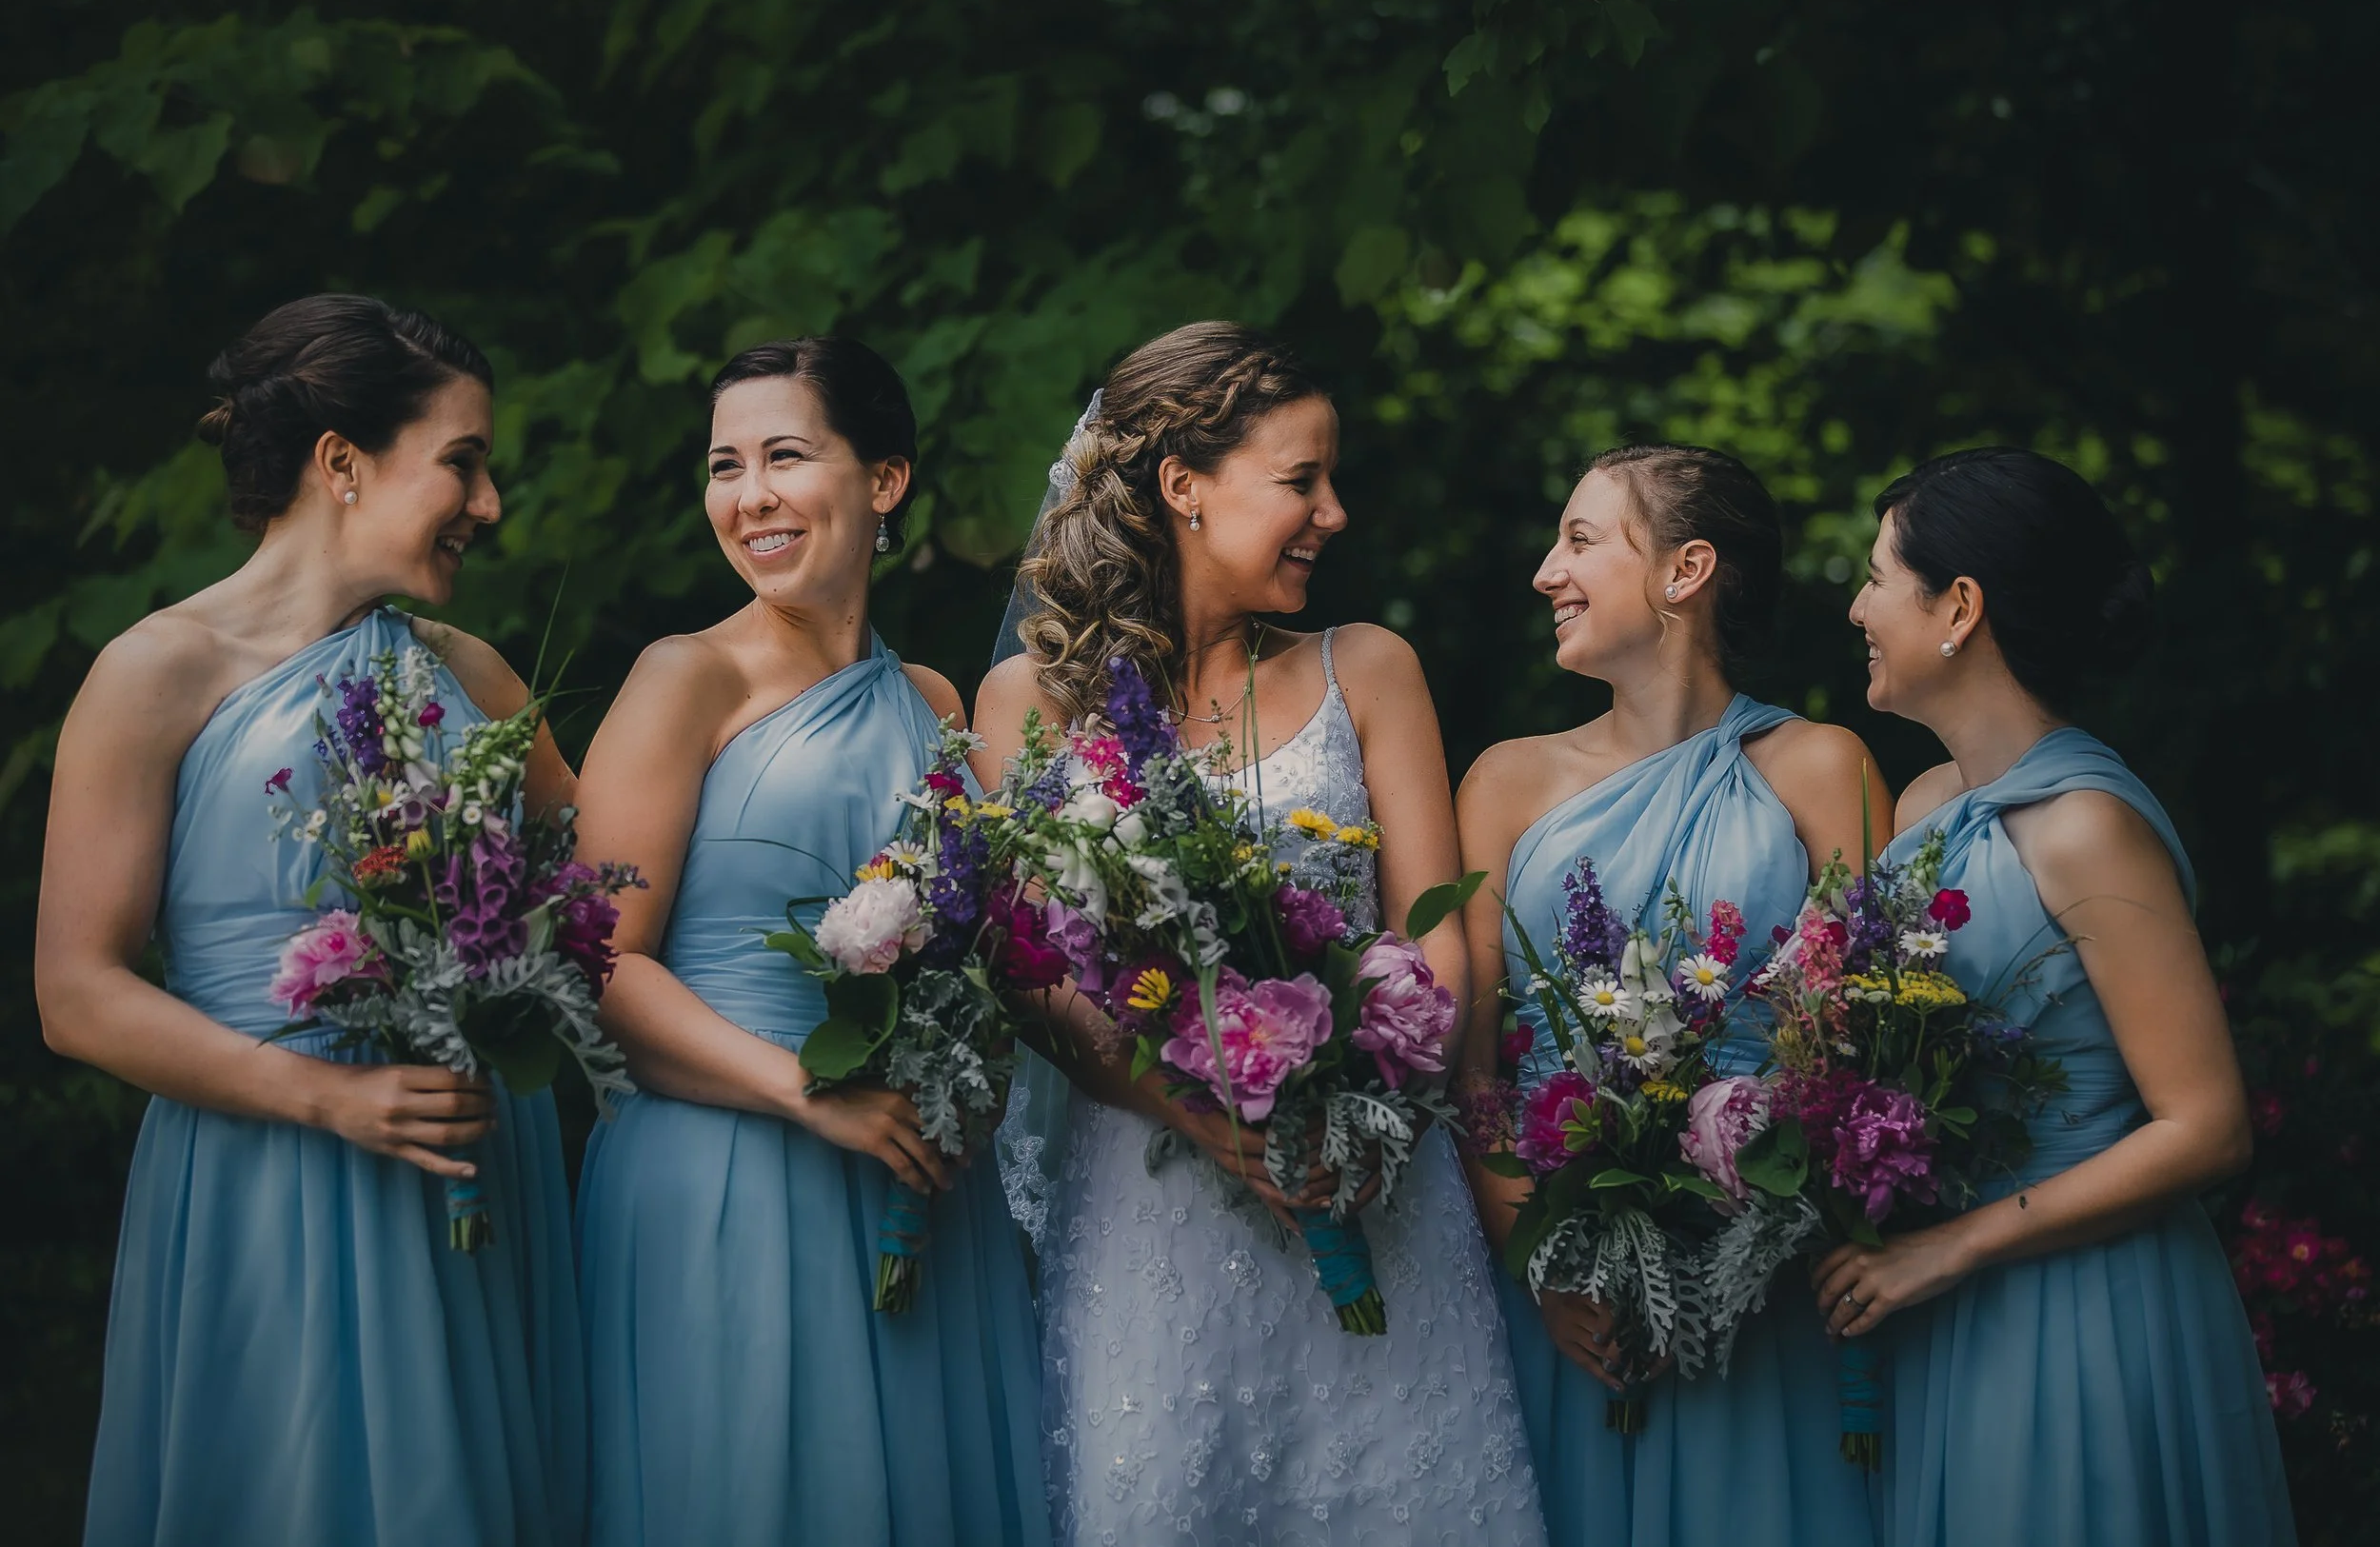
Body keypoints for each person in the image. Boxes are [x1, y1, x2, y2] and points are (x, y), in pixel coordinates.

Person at [973, 322, 1548, 1544]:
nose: (1332, 512)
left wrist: (1356, 1102)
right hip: (1148, 1195)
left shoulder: (1369, 668)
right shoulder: (1030, 702)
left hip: (1373, 1173)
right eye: (1302, 479)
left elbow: (1432, 938)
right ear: (1182, 483)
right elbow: (1028, 971)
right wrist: (1202, 1117)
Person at [36, 294, 585, 1546]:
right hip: (266, 1167)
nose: (489, 503)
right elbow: (76, 991)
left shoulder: (476, 673)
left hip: (467, 1170)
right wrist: (326, 1095)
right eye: (463, 461)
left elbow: (607, 906)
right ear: (342, 461)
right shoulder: (153, 672)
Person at [570, 337, 1048, 1546]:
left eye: (787, 455)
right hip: (728, 1162)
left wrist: (961, 1079)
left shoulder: (940, 703)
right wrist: (811, 1096)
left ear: (883, 479)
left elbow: (985, 946)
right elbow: (596, 959)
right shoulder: (685, 677)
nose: (750, 495)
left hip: (917, 1178)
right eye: (725, 465)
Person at [1822, 446, 2294, 1545]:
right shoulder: (1926, 801)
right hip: (1938, 1291)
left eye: (1878, 575)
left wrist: (1954, 1244)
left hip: (2076, 1297)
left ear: (1959, 606)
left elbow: (2208, 1126)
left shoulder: (2087, 826)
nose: (1854, 605)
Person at [1455, 445, 1889, 1547]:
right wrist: (1542, 1270)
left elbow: (1861, 1041)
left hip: (1766, 1269)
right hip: (1567, 1274)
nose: (1547, 570)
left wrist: (1780, 1219)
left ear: (1687, 569)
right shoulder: (1506, 780)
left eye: (1582, 540)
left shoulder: (1823, 765)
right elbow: (1472, 1062)